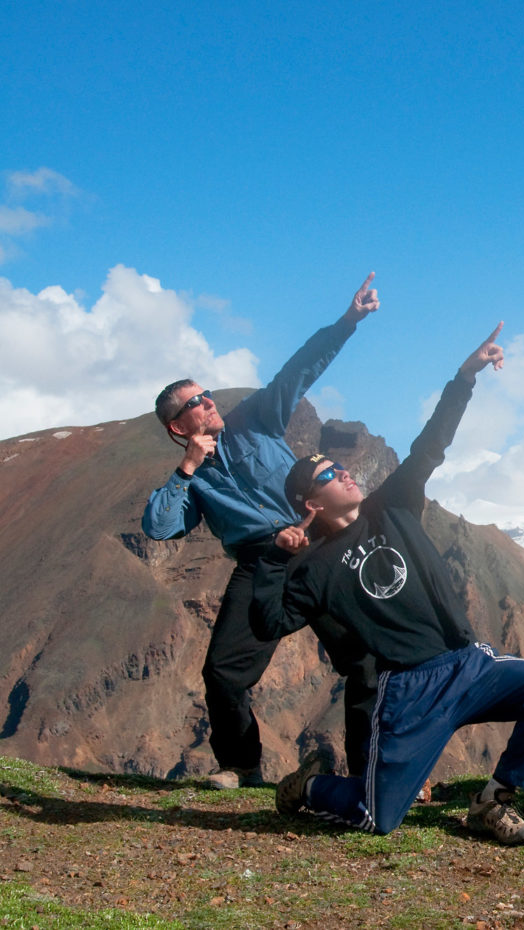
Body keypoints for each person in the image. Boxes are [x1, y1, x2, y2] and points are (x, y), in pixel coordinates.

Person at [250, 323, 524, 845]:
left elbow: (431, 445)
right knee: (375, 819)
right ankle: (309, 786)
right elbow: (268, 622)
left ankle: (493, 801)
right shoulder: (311, 568)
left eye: (341, 468)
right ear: (310, 503)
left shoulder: (393, 505)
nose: (346, 475)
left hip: (467, 662)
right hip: (408, 690)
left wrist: (465, 377)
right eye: (330, 476)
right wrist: (272, 559)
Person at [142, 274, 382, 788]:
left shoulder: (254, 420)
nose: (209, 403)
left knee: (365, 658)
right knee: (223, 673)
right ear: (178, 427)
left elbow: (297, 372)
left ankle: (374, 773)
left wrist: (347, 322)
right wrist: (186, 470)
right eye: (196, 403)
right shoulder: (193, 480)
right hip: (264, 562)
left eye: (207, 394)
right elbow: (160, 529)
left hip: (320, 546)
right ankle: (241, 768)